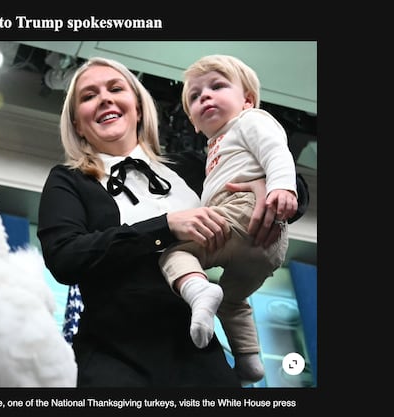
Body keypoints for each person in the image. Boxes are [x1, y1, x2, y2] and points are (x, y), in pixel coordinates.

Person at [37, 56, 307, 387]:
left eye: (115, 89)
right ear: (78, 123)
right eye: (89, 96)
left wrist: (264, 185)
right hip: (114, 354)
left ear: (138, 108)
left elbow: (282, 175)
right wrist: (165, 227)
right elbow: (64, 257)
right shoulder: (69, 180)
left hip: (198, 352)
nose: (104, 98)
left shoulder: (190, 166)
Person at [157, 54, 298, 384]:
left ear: (247, 100)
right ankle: (249, 361)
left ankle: (198, 291)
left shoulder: (250, 121)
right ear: (193, 123)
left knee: (173, 252)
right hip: (266, 246)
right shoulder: (215, 147)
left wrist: (282, 187)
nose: (205, 95)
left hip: (243, 213)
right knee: (232, 301)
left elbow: (276, 151)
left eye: (217, 86)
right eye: (195, 96)